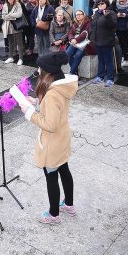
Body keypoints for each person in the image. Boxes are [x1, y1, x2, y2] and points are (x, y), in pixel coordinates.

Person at [19, 52, 78, 224]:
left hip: (52, 142)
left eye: (40, 68)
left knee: (51, 175)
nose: (38, 70)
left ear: (47, 72)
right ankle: (69, 205)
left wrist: (29, 113)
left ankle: (53, 215)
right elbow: (53, 109)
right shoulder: (60, 86)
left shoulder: (52, 94)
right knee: (64, 170)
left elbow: (50, 124)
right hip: (62, 137)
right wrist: (36, 102)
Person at [90, 0, 117, 87]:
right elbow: (93, 27)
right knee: (100, 60)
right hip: (97, 41)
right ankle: (100, 76)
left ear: (106, 4)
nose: (100, 5)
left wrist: (107, 16)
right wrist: (92, 39)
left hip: (107, 41)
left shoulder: (111, 13)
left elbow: (113, 25)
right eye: (99, 4)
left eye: (102, 3)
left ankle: (110, 78)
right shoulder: (97, 13)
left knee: (108, 60)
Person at [66, 10, 94, 76]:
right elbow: (70, 32)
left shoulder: (88, 22)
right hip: (74, 42)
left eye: (79, 14)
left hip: (84, 43)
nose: (78, 16)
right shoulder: (74, 23)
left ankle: (72, 72)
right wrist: (72, 39)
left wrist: (76, 40)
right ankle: (75, 71)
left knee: (78, 55)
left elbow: (85, 33)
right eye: (76, 15)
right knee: (68, 54)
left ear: (83, 15)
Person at [1, 0, 25, 65]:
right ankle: (10, 57)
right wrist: (12, 16)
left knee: (19, 42)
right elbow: (3, 16)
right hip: (8, 26)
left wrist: (10, 15)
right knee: (10, 42)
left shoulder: (17, 4)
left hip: (16, 25)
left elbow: (19, 14)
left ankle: (21, 58)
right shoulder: (5, 5)